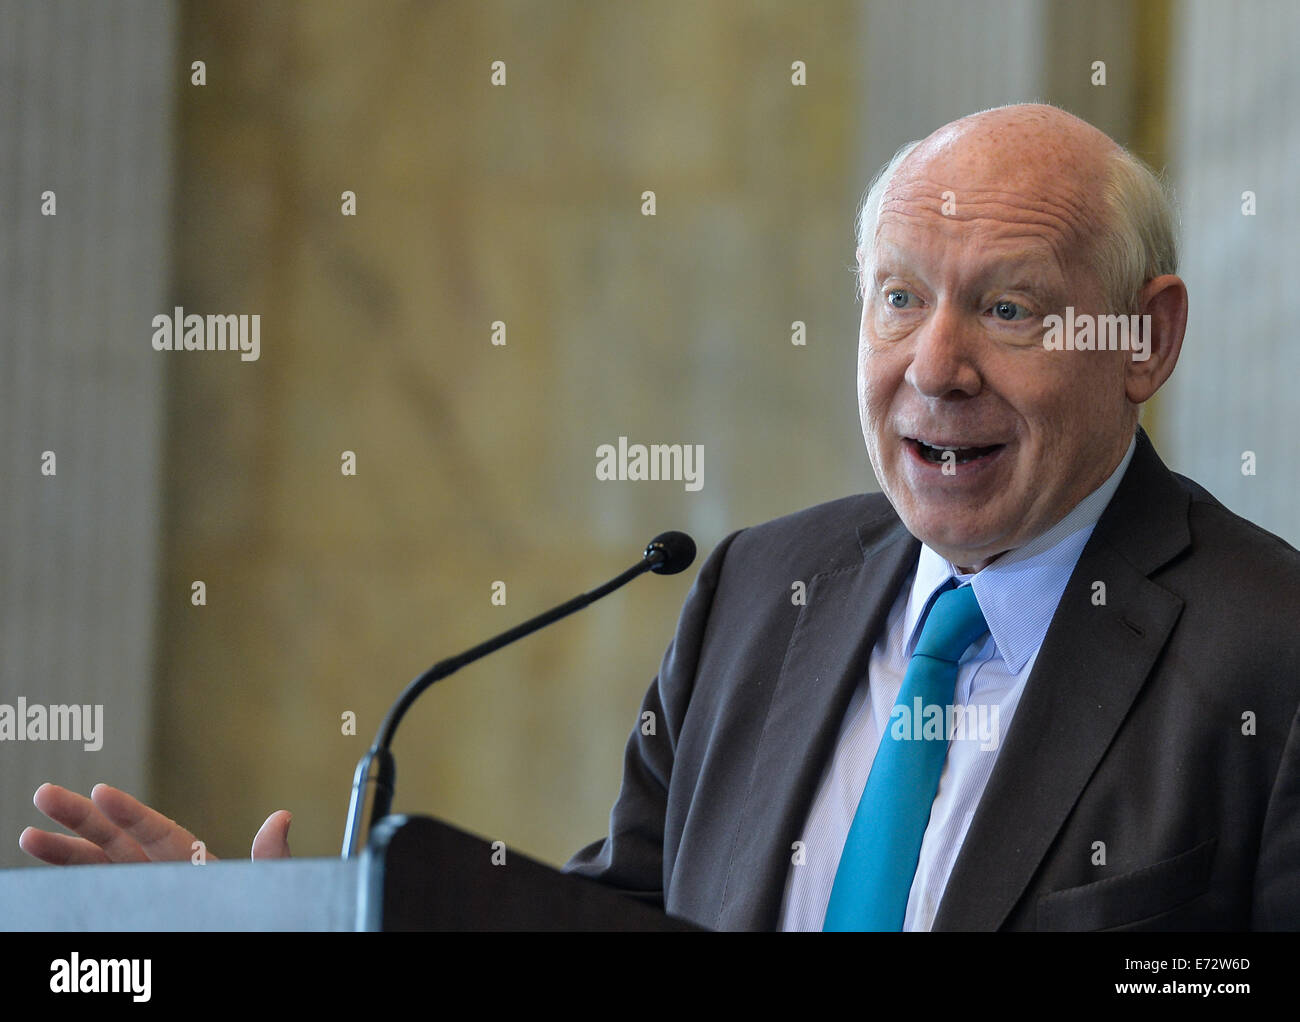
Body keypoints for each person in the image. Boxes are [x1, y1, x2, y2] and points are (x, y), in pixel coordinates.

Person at [20, 104, 1300, 930]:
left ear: (1144, 337)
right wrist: (281, 922)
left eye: (1007, 309)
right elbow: (612, 928)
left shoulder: (1269, 652)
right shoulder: (762, 588)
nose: (935, 365)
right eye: (899, 299)